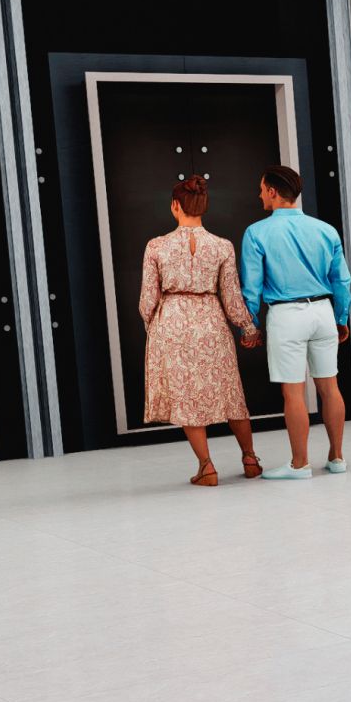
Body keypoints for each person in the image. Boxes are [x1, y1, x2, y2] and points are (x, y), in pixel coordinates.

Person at [138, 174, 261, 486]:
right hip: (211, 320)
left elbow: (147, 300)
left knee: (186, 399)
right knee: (231, 393)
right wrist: (247, 328)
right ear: (203, 206)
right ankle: (249, 459)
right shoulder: (222, 246)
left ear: (175, 206)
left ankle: (207, 467)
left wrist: (152, 327)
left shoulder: (156, 246)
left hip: (172, 323)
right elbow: (232, 296)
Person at [239, 165, 351, 477]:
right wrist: (341, 317)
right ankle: (337, 458)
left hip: (286, 315)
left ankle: (300, 464)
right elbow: (342, 281)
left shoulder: (257, 232)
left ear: (272, 192)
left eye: (262, 189)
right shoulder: (325, 230)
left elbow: (251, 288)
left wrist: (250, 325)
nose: (260, 194)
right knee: (330, 386)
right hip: (323, 312)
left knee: (293, 392)